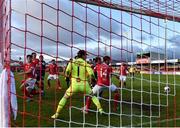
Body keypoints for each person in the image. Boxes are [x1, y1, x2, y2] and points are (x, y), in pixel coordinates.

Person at [51, 50, 104, 119]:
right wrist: (94, 79)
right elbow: (91, 73)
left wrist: (68, 75)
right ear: (82, 55)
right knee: (92, 96)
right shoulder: (85, 63)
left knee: (65, 97)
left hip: (74, 85)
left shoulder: (72, 61)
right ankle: (100, 110)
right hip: (84, 85)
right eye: (85, 55)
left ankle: (56, 114)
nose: (86, 57)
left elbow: (67, 71)